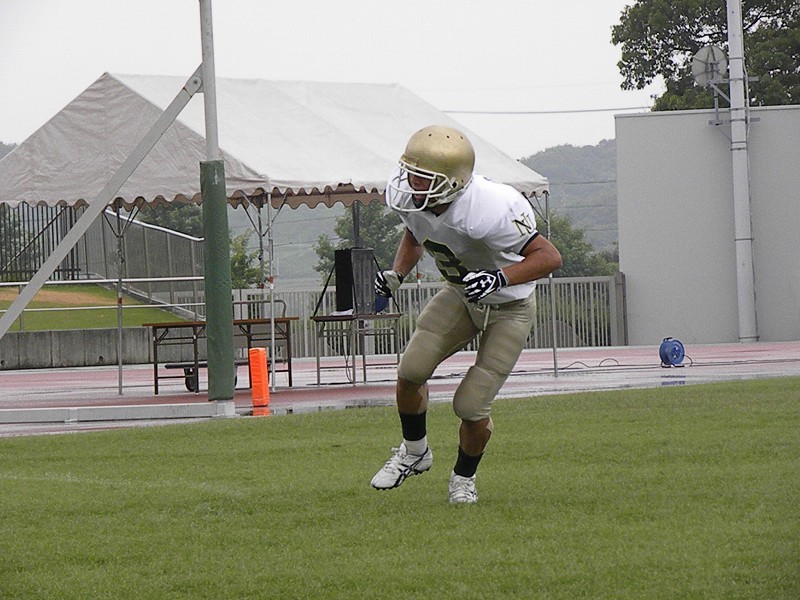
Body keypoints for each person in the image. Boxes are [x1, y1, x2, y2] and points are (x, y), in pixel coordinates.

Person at [371, 125, 562, 504]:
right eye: (411, 173)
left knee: (471, 406)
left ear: (453, 182)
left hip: (509, 306)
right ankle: (415, 452)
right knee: (411, 371)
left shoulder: (492, 206)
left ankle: (463, 478)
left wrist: (499, 277)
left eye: (423, 178)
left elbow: (549, 257)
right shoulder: (415, 199)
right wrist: (398, 273)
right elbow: (415, 233)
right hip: (460, 295)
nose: (412, 184)